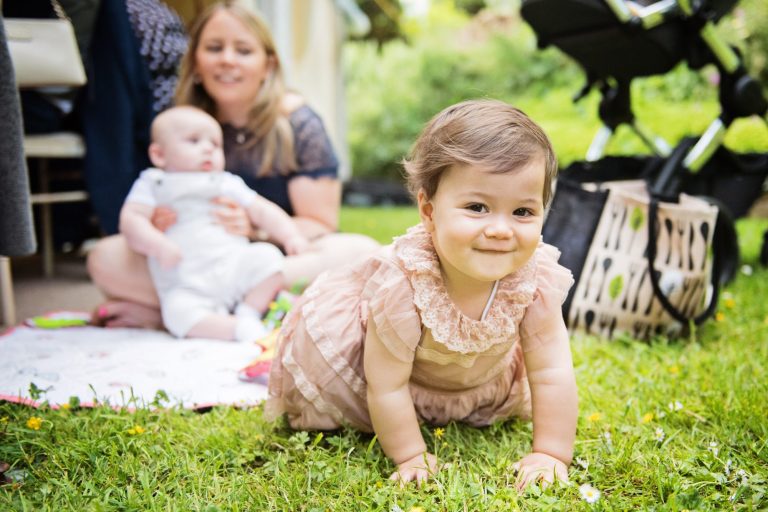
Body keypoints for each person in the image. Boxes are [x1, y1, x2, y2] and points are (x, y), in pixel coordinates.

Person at [266, 99, 578, 489]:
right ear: (429, 212)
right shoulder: (405, 286)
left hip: (471, 380)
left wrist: (550, 453)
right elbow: (387, 385)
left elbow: (551, 371)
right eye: (477, 207)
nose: (501, 229)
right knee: (363, 395)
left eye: (523, 212)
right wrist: (412, 455)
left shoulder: (534, 280)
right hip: (386, 378)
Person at [87, 2, 380, 329]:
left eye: (243, 50)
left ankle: (180, 316)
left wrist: (256, 229)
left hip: (269, 261)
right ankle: (259, 311)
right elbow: (151, 199)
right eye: (214, 48)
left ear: (267, 65)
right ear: (195, 63)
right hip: (194, 263)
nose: (227, 59)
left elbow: (320, 222)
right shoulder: (178, 124)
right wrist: (154, 224)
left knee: (360, 251)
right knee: (106, 256)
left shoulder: (297, 123)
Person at [120, 106, 308, 341]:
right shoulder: (154, 183)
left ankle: (248, 311)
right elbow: (131, 219)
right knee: (178, 313)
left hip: (234, 266)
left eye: (216, 144)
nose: (208, 148)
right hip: (185, 278)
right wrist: (157, 245)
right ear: (159, 155)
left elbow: (262, 209)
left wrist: (290, 235)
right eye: (194, 140)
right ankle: (235, 329)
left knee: (268, 259)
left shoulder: (225, 182)